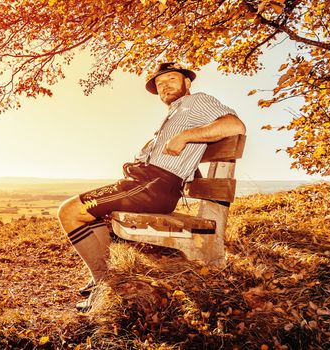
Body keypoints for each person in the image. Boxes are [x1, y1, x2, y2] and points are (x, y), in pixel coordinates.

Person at [57, 62, 246, 311]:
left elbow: (236, 126)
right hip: (145, 183)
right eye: (159, 84)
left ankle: (105, 284)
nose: (164, 86)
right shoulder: (176, 112)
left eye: (170, 79)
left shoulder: (196, 101)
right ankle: (102, 278)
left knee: (69, 211)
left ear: (187, 83)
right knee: (88, 213)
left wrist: (185, 136)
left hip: (154, 186)